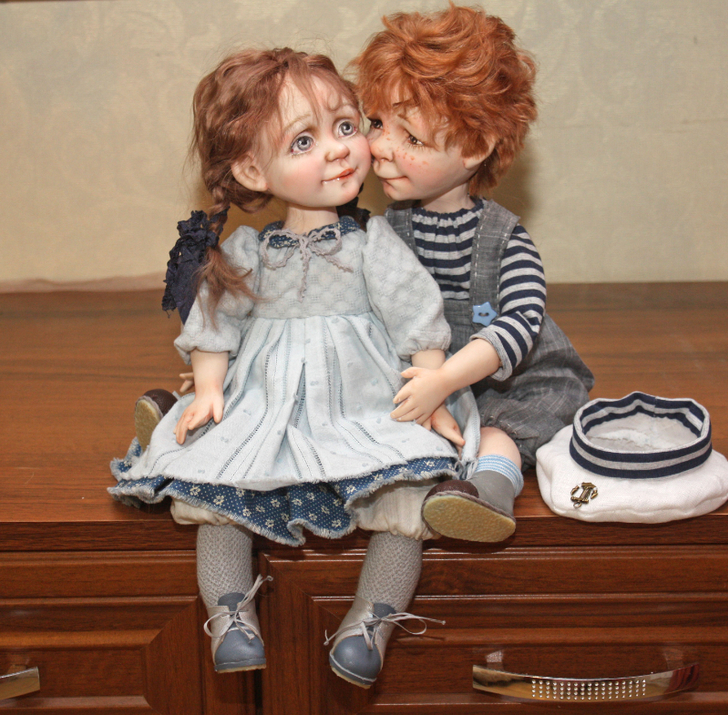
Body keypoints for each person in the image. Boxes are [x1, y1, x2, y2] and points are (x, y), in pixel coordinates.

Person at [109, 47, 479, 689]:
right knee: (220, 483)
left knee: (406, 493)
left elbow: (415, 314)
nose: (338, 150)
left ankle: (372, 621)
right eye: (304, 141)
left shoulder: (372, 243)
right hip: (269, 397)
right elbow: (215, 324)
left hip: (361, 397)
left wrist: (435, 391)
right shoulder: (249, 250)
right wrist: (209, 389)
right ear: (253, 168)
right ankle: (230, 615)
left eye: (346, 126)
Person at [351, 4, 594, 543]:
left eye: (411, 139)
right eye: (377, 123)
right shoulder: (380, 232)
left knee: (503, 426)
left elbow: (522, 321)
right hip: (416, 376)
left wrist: (446, 380)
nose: (380, 147)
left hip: (506, 376)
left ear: (474, 148)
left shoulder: (504, 238)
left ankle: (489, 490)